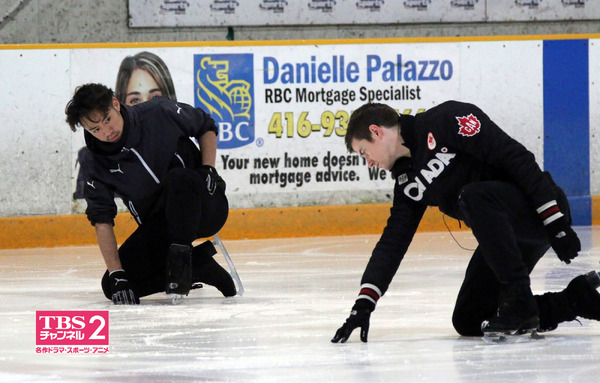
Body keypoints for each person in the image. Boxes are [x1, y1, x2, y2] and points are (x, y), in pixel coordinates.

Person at [331, 101, 600, 342]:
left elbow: (516, 158)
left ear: (376, 132)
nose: (368, 162)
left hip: (536, 210)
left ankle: (517, 296)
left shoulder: (447, 120)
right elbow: (394, 240)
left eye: (364, 151)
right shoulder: (408, 182)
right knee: (469, 319)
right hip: (501, 238)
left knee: (471, 196)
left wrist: (553, 219)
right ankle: (573, 301)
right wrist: (365, 303)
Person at [65, 83, 236, 305]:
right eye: (95, 129)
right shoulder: (94, 163)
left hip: (205, 206)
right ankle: (197, 266)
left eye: (107, 119)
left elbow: (205, 125)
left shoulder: (158, 113)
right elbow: (102, 219)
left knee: (178, 178)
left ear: (115, 104)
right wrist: (117, 273)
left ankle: (182, 257)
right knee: (113, 286)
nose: (107, 132)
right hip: (161, 227)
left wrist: (209, 170)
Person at [73, 52, 177, 199]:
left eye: (155, 98)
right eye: (135, 100)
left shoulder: (179, 146)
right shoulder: (93, 159)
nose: (148, 107)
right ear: (119, 105)